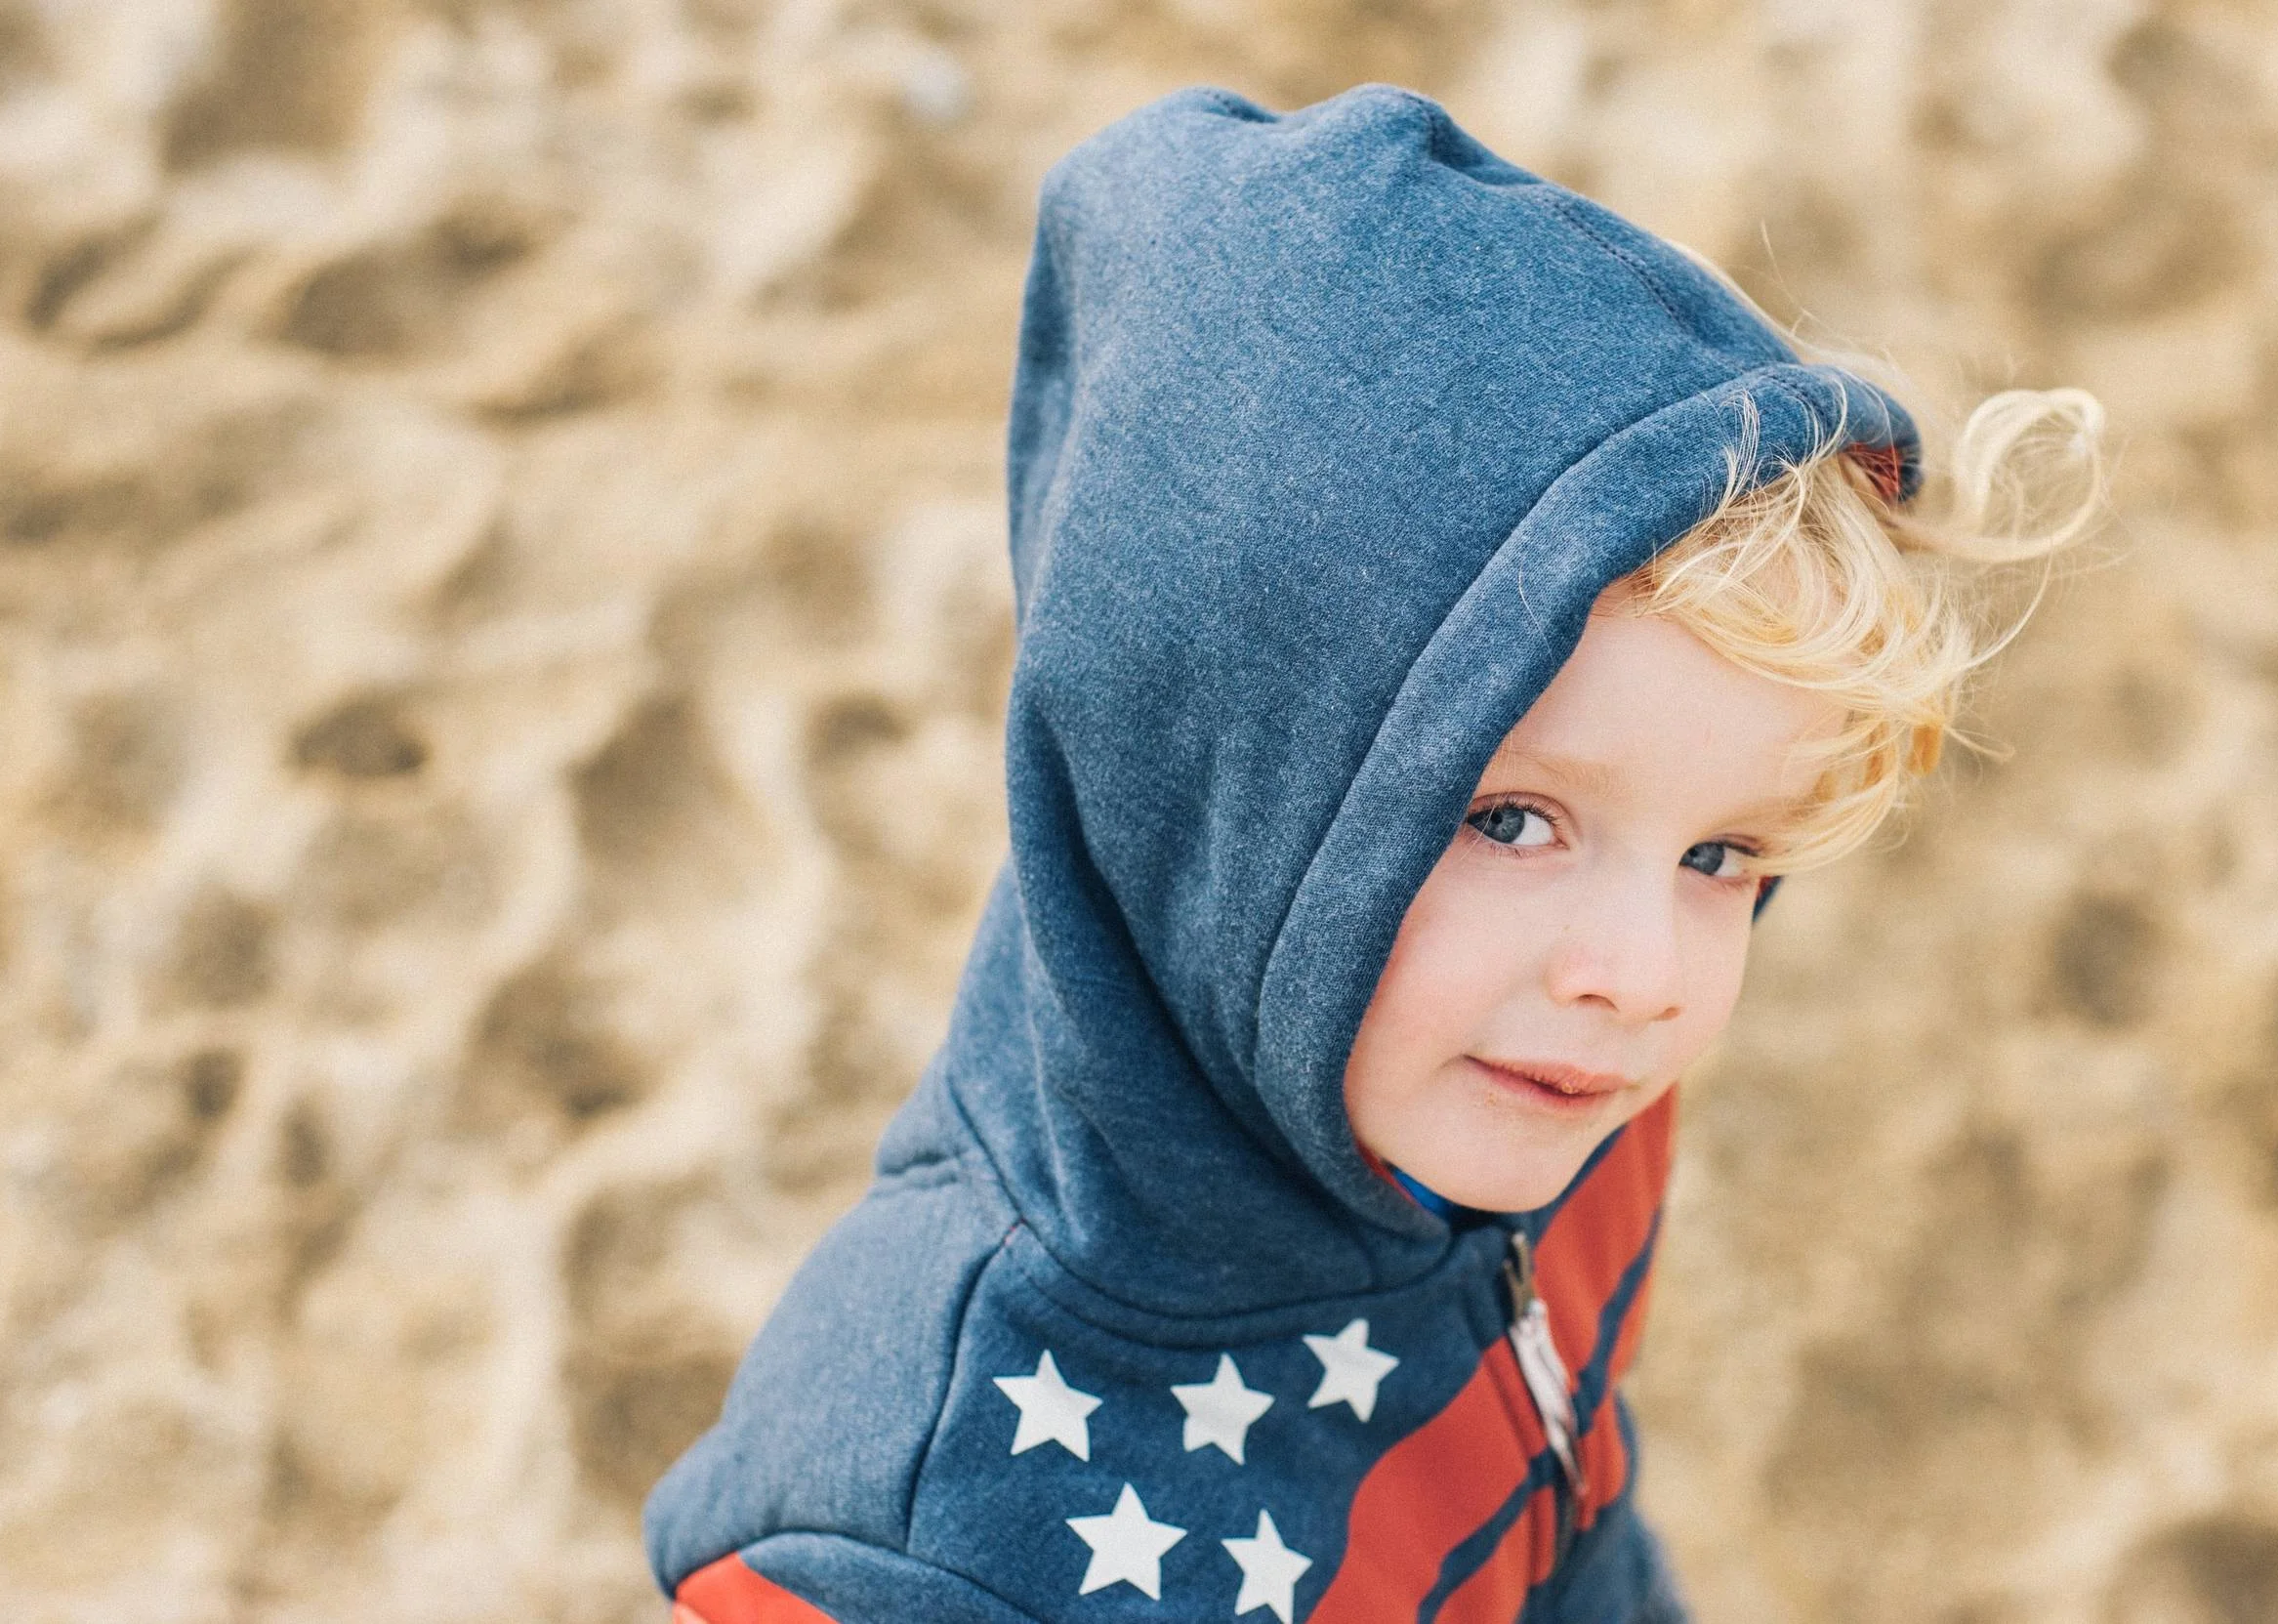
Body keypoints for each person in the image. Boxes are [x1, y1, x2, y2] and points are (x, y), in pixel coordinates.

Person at [644, 84, 2102, 1623]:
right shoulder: (925, 1549)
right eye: (1510, 820)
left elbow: (1574, 1497)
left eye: (1722, 854)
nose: (1646, 978)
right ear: (1221, 798)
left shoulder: (1530, 1099)